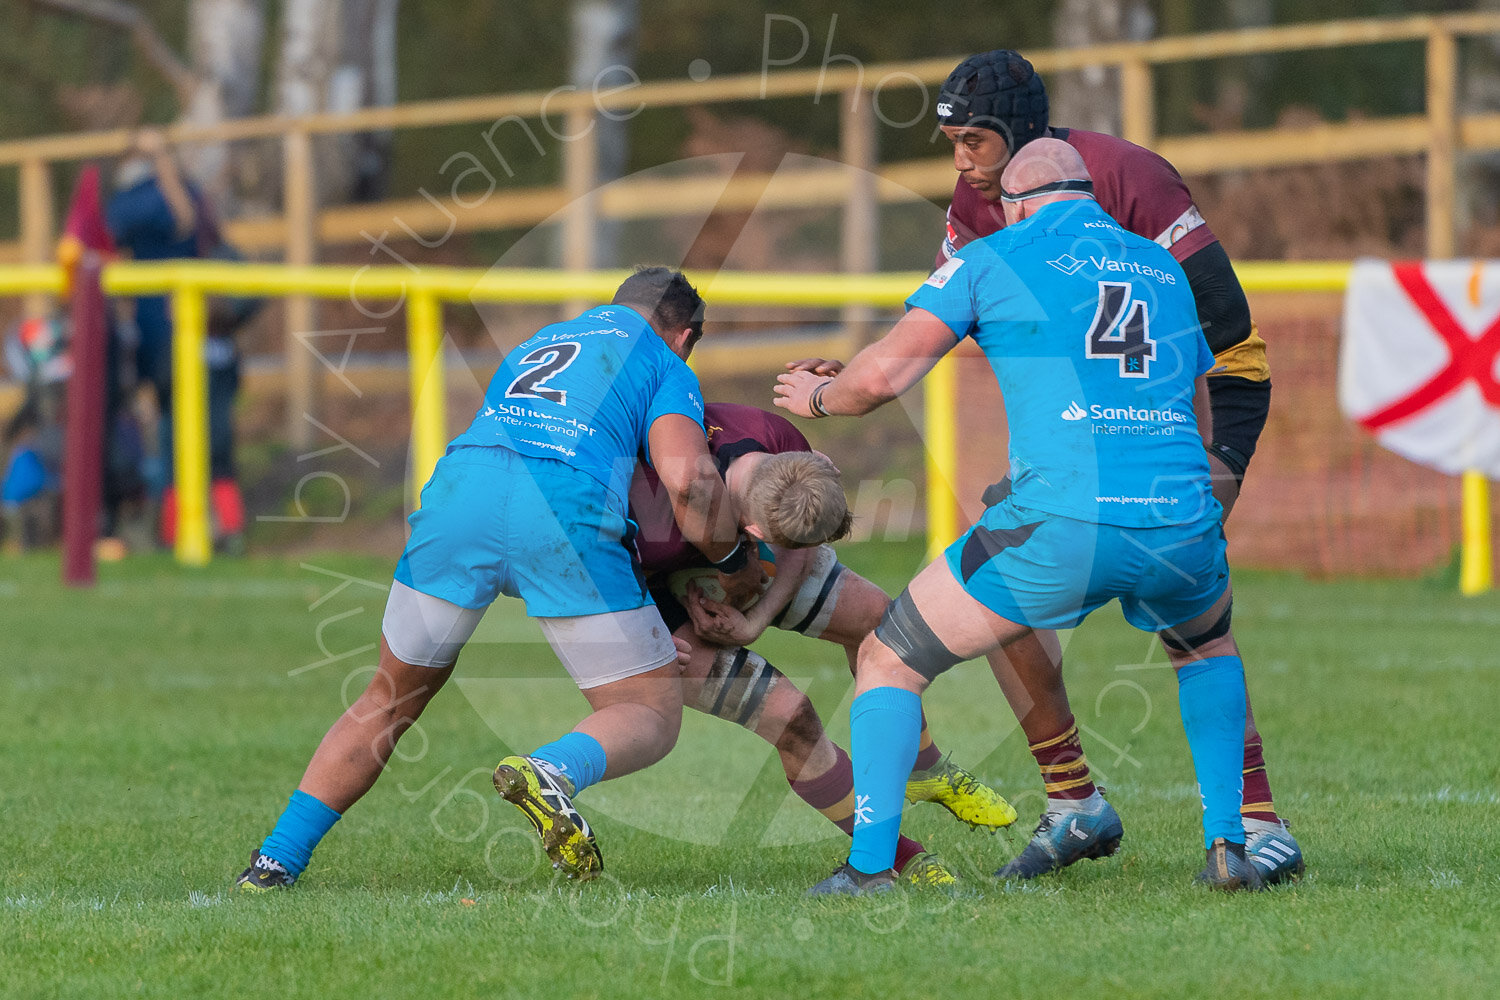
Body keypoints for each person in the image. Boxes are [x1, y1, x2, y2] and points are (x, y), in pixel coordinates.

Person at [778, 140, 1266, 894]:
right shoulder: (1160, 265)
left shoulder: (994, 255)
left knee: (887, 659)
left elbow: (880, 377)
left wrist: (815, 398)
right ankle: (1231, 845)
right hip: (1182, 517)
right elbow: (1198, 416)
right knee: (1207, 649)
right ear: (1090, 196)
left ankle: (871, 868)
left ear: (1016, 204)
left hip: (1064, 524)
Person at [235, 267, 764, 889]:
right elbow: (691, 481)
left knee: (387, 698)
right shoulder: (665, 362)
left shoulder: (543, 340)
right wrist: (734, 561)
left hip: (463, 493)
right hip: (562, 507)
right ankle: (553, 770)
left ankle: (274, 862)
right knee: (646, 709)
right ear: (686, 335)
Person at [923, 49, 1300, 884]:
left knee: (1193, 625)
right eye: (949, 142)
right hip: (1079, 434)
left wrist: (1221, 461)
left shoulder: (1130, 177)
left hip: (1187, 410)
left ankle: (1257, 822)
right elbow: (946, 317)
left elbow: (1230, 334)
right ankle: (1073, 802)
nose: (960, 163)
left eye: (974, 142)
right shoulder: (973, 199)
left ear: (1023, 140)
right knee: (1000, 596)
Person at [629, 402, 1018, 885]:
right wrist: (649, 635)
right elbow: (600, 570)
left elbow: (800, 544)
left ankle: (925, 767)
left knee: (883, 625)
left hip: (734, 546)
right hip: (650, 591)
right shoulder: (651, 509)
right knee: (791, 717)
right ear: (754, 532)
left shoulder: (778, 442)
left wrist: (756, 618)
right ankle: (896, 856)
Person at [106, 128, 247, 552]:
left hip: (200, 345)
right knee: (170, 434)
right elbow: (117, 234)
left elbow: (186, 220)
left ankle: (221, 530)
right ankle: (175, 530)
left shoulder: (182, 197)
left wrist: (162, 161)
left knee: (213, 441)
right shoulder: (135, 200)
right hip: (158, 338)